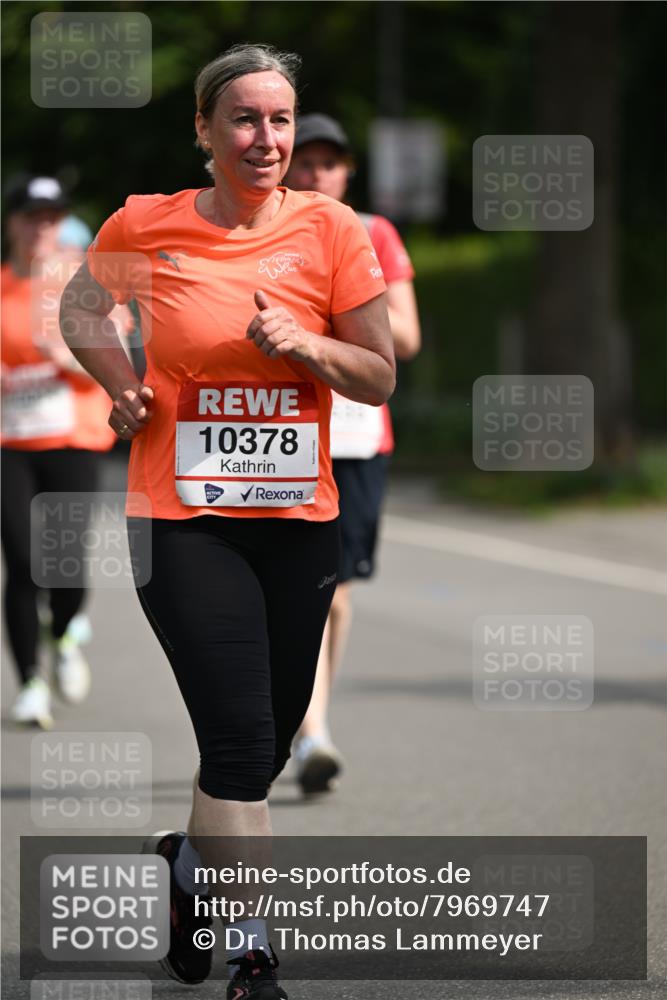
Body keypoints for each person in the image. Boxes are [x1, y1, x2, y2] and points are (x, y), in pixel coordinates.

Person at [60, 44, 394, 1000]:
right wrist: (122, 387)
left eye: (281, 120)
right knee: (244, 741)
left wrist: (308, 344)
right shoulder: (146, 223)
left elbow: (378, 374)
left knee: (260, 743)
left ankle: (187, 869)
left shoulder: (331, 230)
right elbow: (84, 310)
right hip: (182, 519)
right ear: (204, 132)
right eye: (244, 120)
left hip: (298, 521)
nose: (266, 138)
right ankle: (254, 949)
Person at [285, 114, 421, 794]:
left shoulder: (374, 232)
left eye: (329, 163)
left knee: (335, 595)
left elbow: (407, 336)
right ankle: (292, 726)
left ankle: (312, 725)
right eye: (304, 162)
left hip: (356, 436)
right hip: (281, 437)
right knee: (288, 587)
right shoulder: (270, 229)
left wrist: (343, 299)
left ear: (346, 172)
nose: (316, 174)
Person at [1, 175, 128, 728]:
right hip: (11, 444)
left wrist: (66, 357)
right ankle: (30, 682)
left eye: (51, 217)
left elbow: (118, 358)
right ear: (12, 222)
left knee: (67, 565)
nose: (40, 227)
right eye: (31, 216)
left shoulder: (84, 284)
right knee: (24, 563)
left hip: (74, 438)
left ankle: (65, 631)